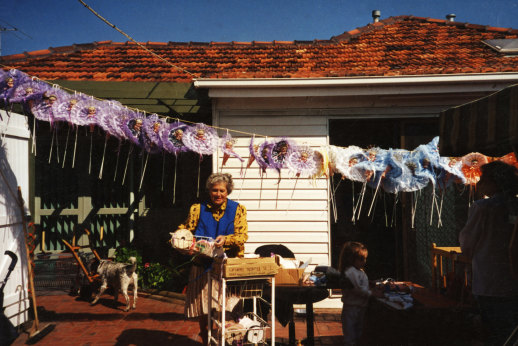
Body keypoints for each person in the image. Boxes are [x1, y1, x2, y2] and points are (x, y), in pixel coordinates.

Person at [177, 173, 248, 345]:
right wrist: (182, 243)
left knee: (228, 306)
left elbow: (242, 236)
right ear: (209, 191)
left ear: (228, 191)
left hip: (228, 265)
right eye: (214, 190)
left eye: (222, 190)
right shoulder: (197, 209)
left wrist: (226, 239)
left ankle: (226, 338)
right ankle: (205, 338)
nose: (218, 194)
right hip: (203, 263)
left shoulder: (238, 209)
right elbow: (184, 231)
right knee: (204, 305)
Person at [459, 160, 518, 346]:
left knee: (493, 332)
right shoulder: (513, 205)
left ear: (495, 182)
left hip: (489, 283)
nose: (479, 182)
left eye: (483, 178)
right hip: (513, 281)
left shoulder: (482, 208)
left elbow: (467, 244)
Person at [338, 241, 378, 346]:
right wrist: (372, 293)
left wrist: (369, 283)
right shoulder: (350, 272)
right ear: (351, 259)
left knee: (359, 331)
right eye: (361, 259)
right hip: (352, 308)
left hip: (359, 307)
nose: (364, 261)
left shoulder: (359, 271)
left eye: (365, 258)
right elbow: (357, 289)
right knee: (350, 333)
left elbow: (361, 284)